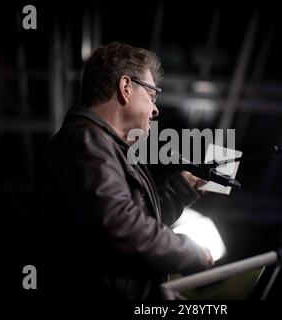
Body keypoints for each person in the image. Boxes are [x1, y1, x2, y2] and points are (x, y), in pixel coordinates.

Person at [34, 41, 213, 300]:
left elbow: (126, 221)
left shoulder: (95, 143)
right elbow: (120, 227)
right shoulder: (85, 141)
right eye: (152, 95)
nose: (156, 109)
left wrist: (179, 190)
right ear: (126, 87)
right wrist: (189, 252)